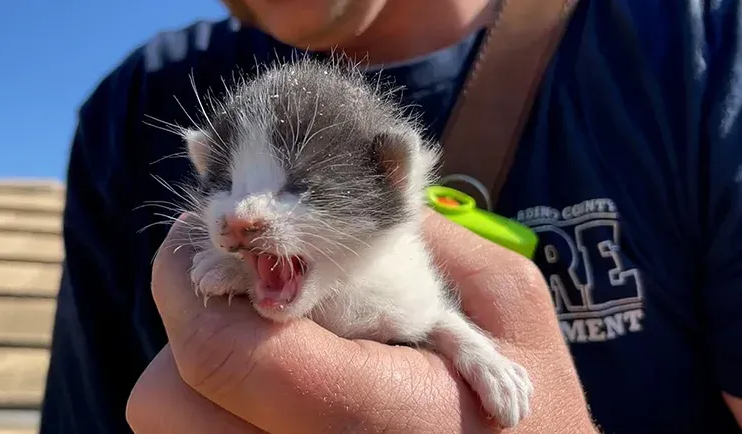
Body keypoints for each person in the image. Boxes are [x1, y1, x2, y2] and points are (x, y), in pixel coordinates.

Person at [38, 0, 742, 433]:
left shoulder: (694, 48)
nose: (243, 216)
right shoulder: (136, 106)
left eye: (294, 189)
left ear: (392, 173)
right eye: (222, 186)